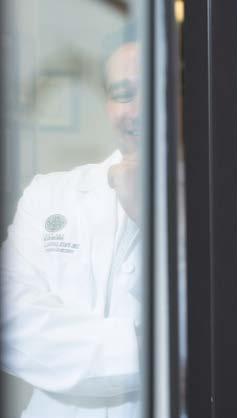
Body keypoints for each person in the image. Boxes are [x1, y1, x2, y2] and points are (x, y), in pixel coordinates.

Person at [1, 26, 144, 418]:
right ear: (107, 104)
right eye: (122, 93)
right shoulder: (48, 194)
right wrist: (148, 350)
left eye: (153, 90)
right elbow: (10, 322)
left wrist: (149, 221)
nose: (137, 109)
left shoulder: (217, 204)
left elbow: (210, 328)